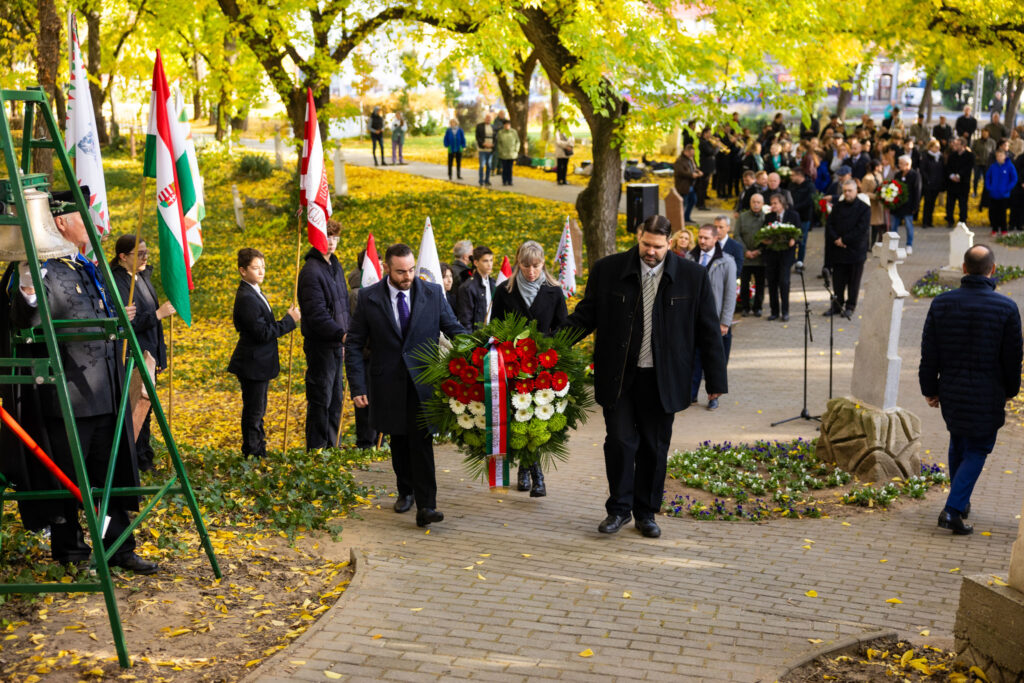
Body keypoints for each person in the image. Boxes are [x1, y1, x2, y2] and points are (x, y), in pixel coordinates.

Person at [1, 192, 155, 574]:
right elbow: (25, 320)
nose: (91, 222)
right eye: (81, 216)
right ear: (60, 223)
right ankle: (71, 552)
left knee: (111, 474)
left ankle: (118, 545)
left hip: (105, 390)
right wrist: (27, 286)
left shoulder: (86, 265)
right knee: (70, 478)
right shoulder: (44, 269)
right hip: (69, 397)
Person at [562, 215, 727, 538]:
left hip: (664, 379)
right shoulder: (608, 270)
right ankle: (618, 510)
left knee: (654, 447)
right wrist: (548, 345)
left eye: (657, 246)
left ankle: (646, 513)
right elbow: (585, 316)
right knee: (621, 443)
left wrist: (715, 382)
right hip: (619, 376)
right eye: (645, 244)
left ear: (671, 244)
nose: (650, 252)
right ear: (639, 237)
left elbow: (708, 331)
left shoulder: (692, 277)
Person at [345, 244, 467, 527]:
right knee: (399, 441)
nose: (408, 276)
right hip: (387, 382)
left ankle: (427, 506)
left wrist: (481, 350)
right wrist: (357, 386)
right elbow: (353, 343)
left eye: (411, 269)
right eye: (401, 271)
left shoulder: (433, 293)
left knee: (422, 443)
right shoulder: (368, 298)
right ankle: (405, 490)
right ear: (387, 268)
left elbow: (454, 329)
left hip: (423, 383)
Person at [920, 245, 1023, 535]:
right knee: (977, 448)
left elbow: (930, 352)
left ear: (964, 269)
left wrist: (930, 388)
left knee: (959, 441)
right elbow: (1013, 357)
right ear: (993, 269)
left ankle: (960, 501)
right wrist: (1011, 390)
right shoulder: (1006, 308)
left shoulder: (941, 303)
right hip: (988, 391)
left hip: (951, 389)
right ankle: (952, 510)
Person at [491, 240, 569, 496]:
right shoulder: (504, 290)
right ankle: (531, 474)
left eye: (536, 266)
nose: (531, 271)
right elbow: (496, 326)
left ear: (543, 263)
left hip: (543, 366)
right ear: (518, 263)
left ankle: (530, 472)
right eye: (526, 266)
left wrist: (547, 345)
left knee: (537, 417)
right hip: (513, 365)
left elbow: (562, 326)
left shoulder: (554, 290)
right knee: (519, 417)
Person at [227, 248, 301, 458]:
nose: (261, 272)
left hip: (260, 362)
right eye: (255, 268)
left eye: (263, 267)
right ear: (242, 270)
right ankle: (253, 452)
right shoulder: (246, 297)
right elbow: (262, 333)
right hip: (252, 363)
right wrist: (289, 321)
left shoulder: (254, 291)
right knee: (254, 411)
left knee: (258, 410)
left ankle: (259, 448)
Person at [110, 235, 173, 471]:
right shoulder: (117, 283)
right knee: (134, 406)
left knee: (146, 408)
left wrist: (161, 354)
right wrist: (156, 315)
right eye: (140, 253)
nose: (146, 257)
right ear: (123, 257)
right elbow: (125, 324)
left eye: (147, 252)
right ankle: (133, 459)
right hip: (132, 355)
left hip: (150, 351)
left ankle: (144, 456)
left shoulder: (142, 277)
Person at [297, 219, 350, 450]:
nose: (332, 242)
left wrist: (346, 336)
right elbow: (316, 314)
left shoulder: (335, 266)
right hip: (321, 346)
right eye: (327, 236)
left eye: (335, 237)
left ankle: (331, 446)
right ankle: (317, 448)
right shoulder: (310, 271)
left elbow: (344, 306)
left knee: (336, 400)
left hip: (338, 344)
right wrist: (341, 334)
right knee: (321, 398)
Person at [689, 224, 736, 411]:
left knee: (714, 361)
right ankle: (690, 394)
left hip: (715, 320)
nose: (702, 241)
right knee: (693, 359)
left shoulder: (727, 262)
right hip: (693, 320)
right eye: (700, 237)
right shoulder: (690, 258)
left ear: (716, 239)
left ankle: (713, 396)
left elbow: (730, 294)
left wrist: (725, 321)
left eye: (706, 238)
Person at [824, 180, 870, 318]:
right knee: (838, 281)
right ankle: (837, 305)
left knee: (853, 282)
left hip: (855, 251)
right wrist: (836, 239)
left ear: (856, 191)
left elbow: (861, 229)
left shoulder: (864, 208)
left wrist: (844, 240)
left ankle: (851, 305)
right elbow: (829, 224)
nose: (847, 193)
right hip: (838, 251)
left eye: (850, 190)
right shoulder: (838, 207)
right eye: (845, 191)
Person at [762, 193, 799, 322]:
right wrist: (766, 240)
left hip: (786, 255)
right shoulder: (769, 217)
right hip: (772, 255)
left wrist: (793, 239)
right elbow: (763, 233)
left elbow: (799, 233)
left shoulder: (792, 216)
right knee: (772, 283)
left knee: (784, 282)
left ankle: (785, 311)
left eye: (775, 203)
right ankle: (774, 311)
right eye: (771, 204)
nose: (772, 206)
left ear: (782, 203)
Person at [736, 193, 767, 317]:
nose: (756, 204)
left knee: (760, 284)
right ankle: (745, 307)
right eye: (753, 202)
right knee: (744, 284)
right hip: (746, 258)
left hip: (760, 258)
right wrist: (746, 251)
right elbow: (737, 235)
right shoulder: (742, 217)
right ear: (750, 203)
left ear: (762, 204)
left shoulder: (766, 218)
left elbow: (769, 236)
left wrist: (758, 251)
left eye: (758, 202)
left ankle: (758, 307)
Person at [456, 246, 496, 329]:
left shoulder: (493, 283)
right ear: (476, 263)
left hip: (494, 334)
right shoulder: (467, 287)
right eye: (485, 261)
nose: (489, 264)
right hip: (477, 336)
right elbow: (466, 321)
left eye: (491, 260)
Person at [890, 155, 921, 254]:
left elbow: (917, 192)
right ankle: (893, 245)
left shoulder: (915, 175)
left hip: (908, 206)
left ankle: (909, 245)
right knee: (894, 226)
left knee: (908, 226)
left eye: (901, 163)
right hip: (897, 206)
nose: (899, 165)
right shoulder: (898, 175)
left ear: (907, 164)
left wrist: (915, 207)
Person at [985, 149, 1019, 236]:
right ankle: (994, 229)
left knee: (1002, 213)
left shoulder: (1010, 166)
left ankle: (1004, 229)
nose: (998, 158)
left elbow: (1014, 179)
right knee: (993, 213)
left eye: (1000, 156)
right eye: (997, 156)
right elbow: (987, 177)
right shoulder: (993, 166)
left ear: (1005, 156)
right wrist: (989, 187)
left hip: (1004, 195)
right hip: (993, 194)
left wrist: (1008, 188)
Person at [944, 137, 974, 227]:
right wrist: (951, 175)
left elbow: (968, 168)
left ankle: (962, 220)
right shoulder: (952, 155)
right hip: (952, 183)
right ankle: (950, 220)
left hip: (963, 183)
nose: (955, 146)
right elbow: (948, 167)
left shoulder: (970, 156)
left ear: (963, 146)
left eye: (957, 144)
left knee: (963, 203)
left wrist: (959, 175)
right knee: (950, 203)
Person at [788, 168, 815, 269]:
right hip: (792, 217)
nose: (791, 177)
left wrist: (795, 207)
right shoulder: (791, 185)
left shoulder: (809, 186)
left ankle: (799, 262)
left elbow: (809, 201)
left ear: (799, 175)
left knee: (801, 241)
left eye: (793, 175)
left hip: (804, 217)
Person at [919, 140, 945, 228]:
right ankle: (925, 221)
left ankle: (930, 221)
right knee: (927, 203)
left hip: (936, 184)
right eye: (935, 146)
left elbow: (942, 169)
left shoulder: (940, 157)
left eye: (938, 147)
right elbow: (923, 170)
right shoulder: (926, 156)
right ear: (930, 147)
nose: (938, 148)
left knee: (932, 203)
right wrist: (928, 180)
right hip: (928, 184)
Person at [673, 145, 700, 223]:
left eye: (693, 153)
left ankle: (686, 217)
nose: (692, 155)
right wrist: (691, 175)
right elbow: (680, 172)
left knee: (693, 200)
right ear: (686, 152)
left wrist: (697, 171)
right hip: (683, 185)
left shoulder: (690, 159)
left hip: (690, 186)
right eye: (691, 153)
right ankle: (680, 219)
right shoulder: (680, 161)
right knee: (684, 203)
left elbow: (693, 168)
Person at [715, 214, 745, 281]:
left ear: (728, 228)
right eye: (715, 227)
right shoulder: (709, 244)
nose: (717, 230)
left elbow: (737, 271)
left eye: (721, 227)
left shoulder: (736, 247)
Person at [971, 128, 996, 198]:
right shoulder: (977, 141)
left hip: (987, 164)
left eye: (986, 133)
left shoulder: (992, 142)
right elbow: (972, 150)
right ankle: (975, 192)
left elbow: (994, 152)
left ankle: (985, 193)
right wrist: (976, 156)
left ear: (988, 134)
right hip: (978, 163)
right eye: (983, 133)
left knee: (986, 178)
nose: (984, 134)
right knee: (976, 178)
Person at [495, 119, 520, 186]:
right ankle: (504, 181)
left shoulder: (513, 132)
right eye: (505, 125)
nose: (507, 126)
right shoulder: (501, 132)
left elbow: (517, 141)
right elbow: (499, 143)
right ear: (504, 125)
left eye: (508, 124)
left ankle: (510, 181)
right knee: (504, 168)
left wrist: (516, 150)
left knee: (510, 168)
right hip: (503, 153)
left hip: (512, 153)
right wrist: (500, 150)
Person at [475, 113, 494, 186]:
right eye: (487, 118)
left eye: (489, 118)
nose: (488, 119)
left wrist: (492, 145)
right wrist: (483, 144)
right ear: (484, 118)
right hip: (482, 149)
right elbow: (477, 137)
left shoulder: (493, 127)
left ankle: (487, 180)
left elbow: (495, 137)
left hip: (490, 149)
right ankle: (481, 180)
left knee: (489, 165)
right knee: (482, 165)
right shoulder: (479, 126)